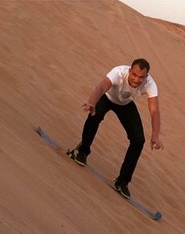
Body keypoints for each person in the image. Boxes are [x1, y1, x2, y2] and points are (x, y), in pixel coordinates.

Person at [69, 58, 163, 198]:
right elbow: (101, 87)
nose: (137, 80)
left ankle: (122, 181)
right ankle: (82, 152)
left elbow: (154, 110)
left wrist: (155, 135)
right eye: (134, 75)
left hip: (125, 104)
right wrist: (92, 102)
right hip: (107, 98)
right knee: (94, 115)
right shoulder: (118, 72)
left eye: (141, 77)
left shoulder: (150, 84)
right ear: (129, 71)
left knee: (138, 140)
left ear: (146, 77)